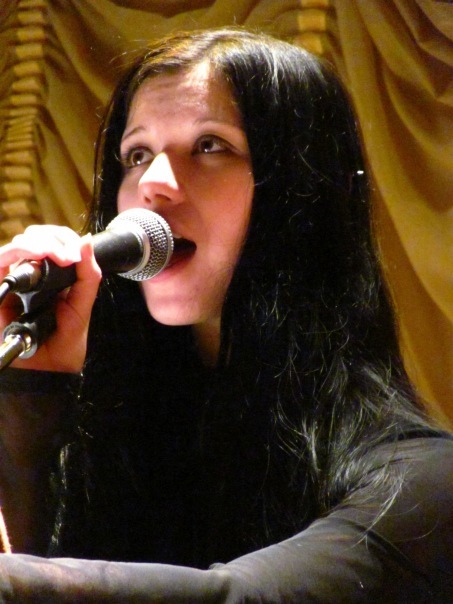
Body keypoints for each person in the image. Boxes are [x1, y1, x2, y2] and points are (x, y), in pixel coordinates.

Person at [0, 27, 451, 602]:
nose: (152, 184)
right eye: (137, 154)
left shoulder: (425, 483)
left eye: (211, 145)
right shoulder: (118, 455)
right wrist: (33, 390)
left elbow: (237, 596)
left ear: (301, 195)